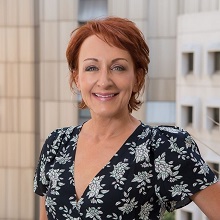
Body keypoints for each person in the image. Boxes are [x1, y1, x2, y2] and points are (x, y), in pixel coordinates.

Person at [34, 17, 220, 220]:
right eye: (91, 68)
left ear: (138, 78)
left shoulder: (163, 147)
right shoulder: (56, 144)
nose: (104, 81)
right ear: (77, 78)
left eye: (118, 67)